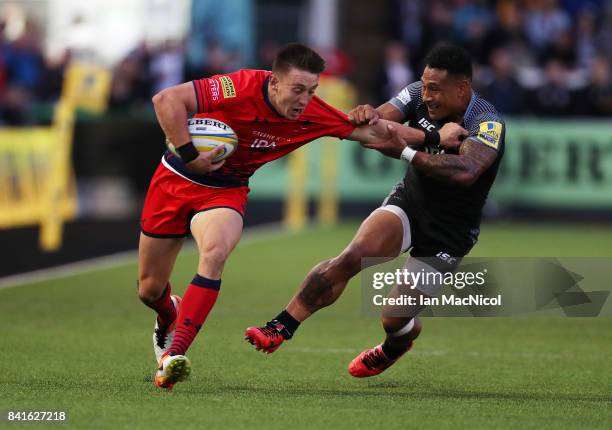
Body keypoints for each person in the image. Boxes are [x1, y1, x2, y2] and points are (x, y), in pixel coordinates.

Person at [138, 42, 466, 390]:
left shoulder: (312, 112)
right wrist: (190, 155)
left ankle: (174, 355)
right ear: (274, 83)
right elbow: (166, 100)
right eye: (297, 89)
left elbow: (375, 133)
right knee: (149, 289)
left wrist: (433, 136)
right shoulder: (238, 86)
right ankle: (168, 313)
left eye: (311, 90)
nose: (303, 99)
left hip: (226, 190)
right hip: (174, 179)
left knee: (215, 253)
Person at [245, 44, 506, 378]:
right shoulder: (415, 94)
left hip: (450, 232)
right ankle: (280, 326)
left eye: (435, 89)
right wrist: (368, 114)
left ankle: (395, 345)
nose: (427, 95)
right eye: (424, 86)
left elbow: (466, 170)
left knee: (394, 317)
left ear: (462, 89)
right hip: (409, 204)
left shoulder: (486, 121)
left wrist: (407, 151)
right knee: (353, 255)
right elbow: (377, 128)